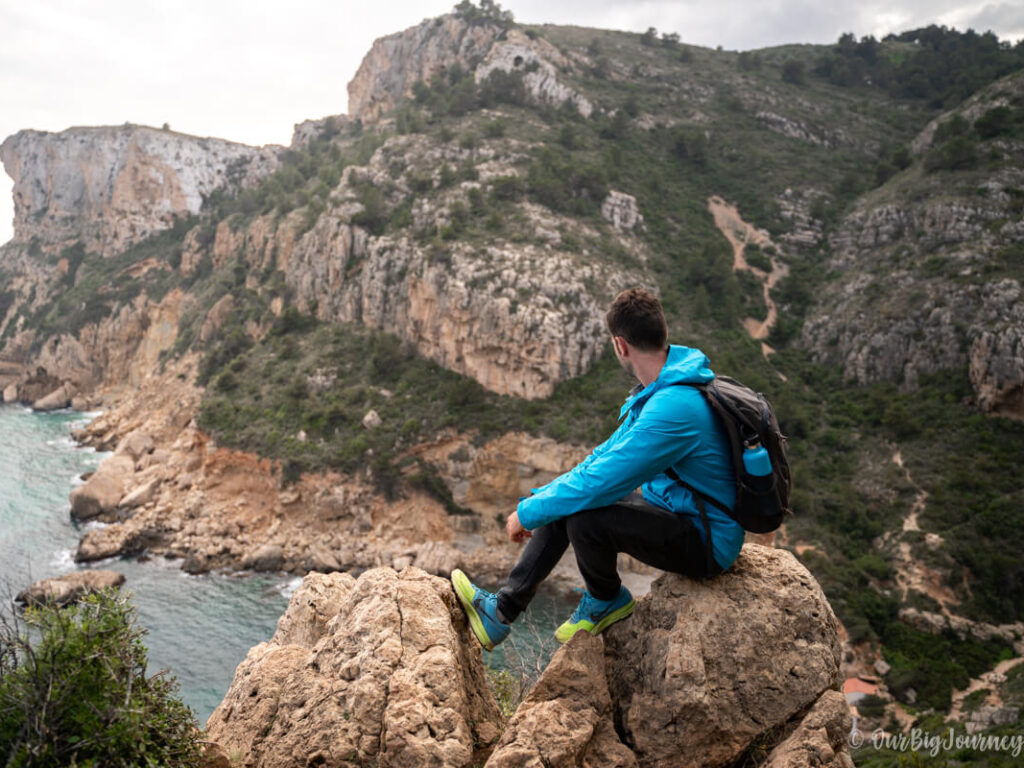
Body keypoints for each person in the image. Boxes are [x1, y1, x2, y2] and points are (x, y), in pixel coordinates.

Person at [451, 287, 745, 650]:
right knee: (568, 502)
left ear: (620, 345)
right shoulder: (661, 388)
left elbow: (598, 482)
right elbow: (600, 459)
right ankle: (500, 612)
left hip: (706, 542)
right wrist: (540, 501)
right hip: (679, 514)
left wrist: (526, 515)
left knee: (584, 516)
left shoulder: (674, 406)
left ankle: (607, 599)